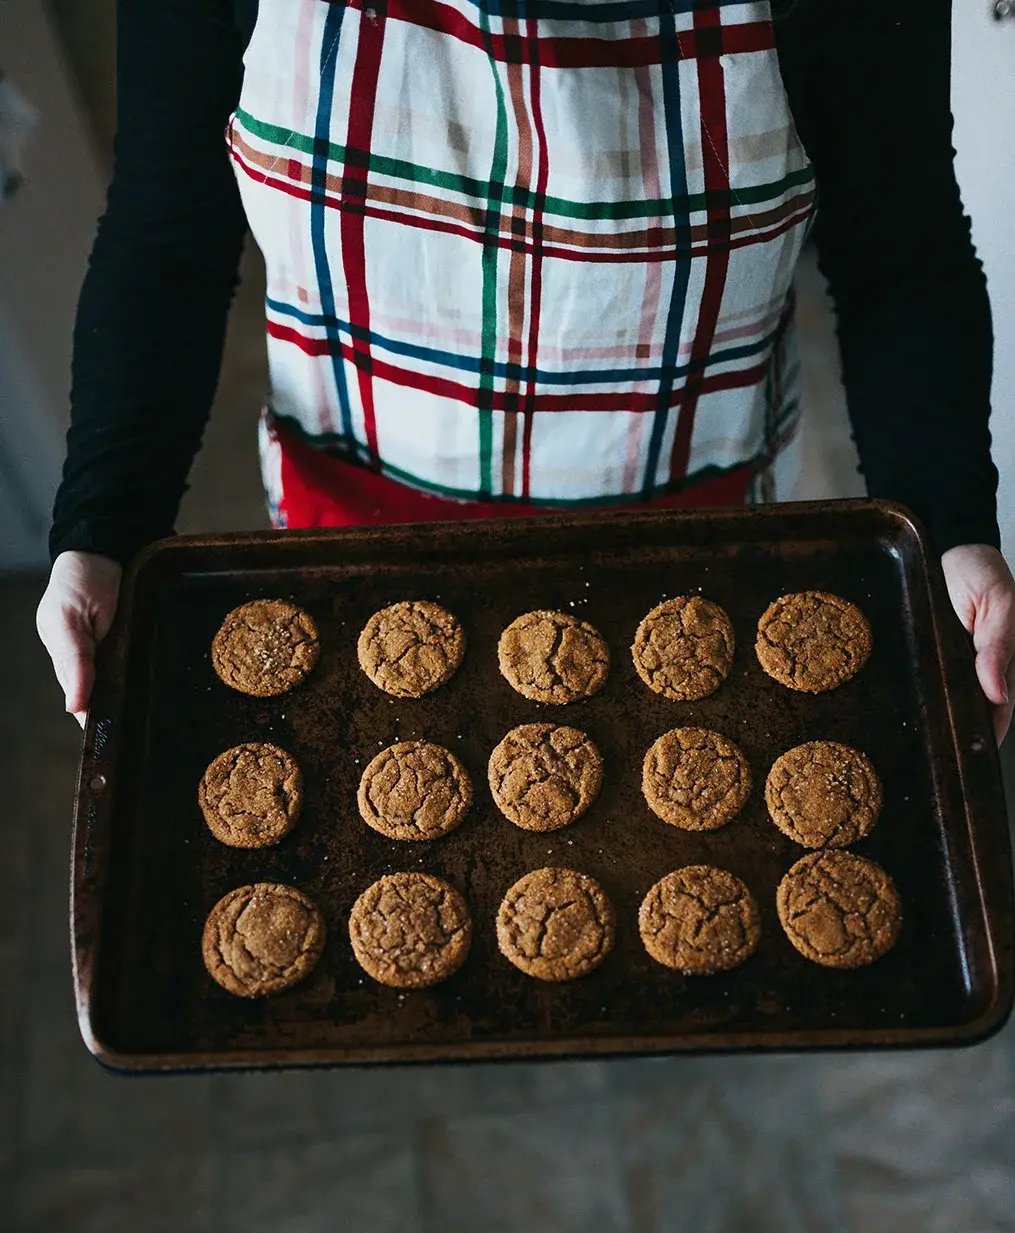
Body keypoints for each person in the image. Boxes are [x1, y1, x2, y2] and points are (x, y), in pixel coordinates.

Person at [37, 0, 1015, 743]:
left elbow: (899, 251)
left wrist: (949, 521)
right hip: (353, 532)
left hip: (702, 539)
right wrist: (105, 527)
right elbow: (167, 234)